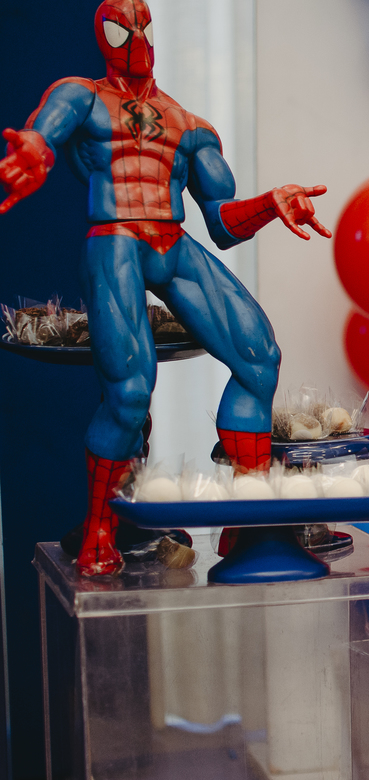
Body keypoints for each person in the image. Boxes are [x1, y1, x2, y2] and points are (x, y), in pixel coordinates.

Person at [0, 0, 329, 576]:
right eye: (116, 26)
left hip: (171, 241)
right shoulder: (81, 95)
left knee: (258, 358)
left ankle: (248, 518)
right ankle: (101, 525)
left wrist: (271, 203)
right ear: (101, 34)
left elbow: (224, 223)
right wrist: (32, 151)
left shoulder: (190, 125)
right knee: (129, 392)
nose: (132, 36)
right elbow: (43, 134)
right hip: (116, 239)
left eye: (141, 24)